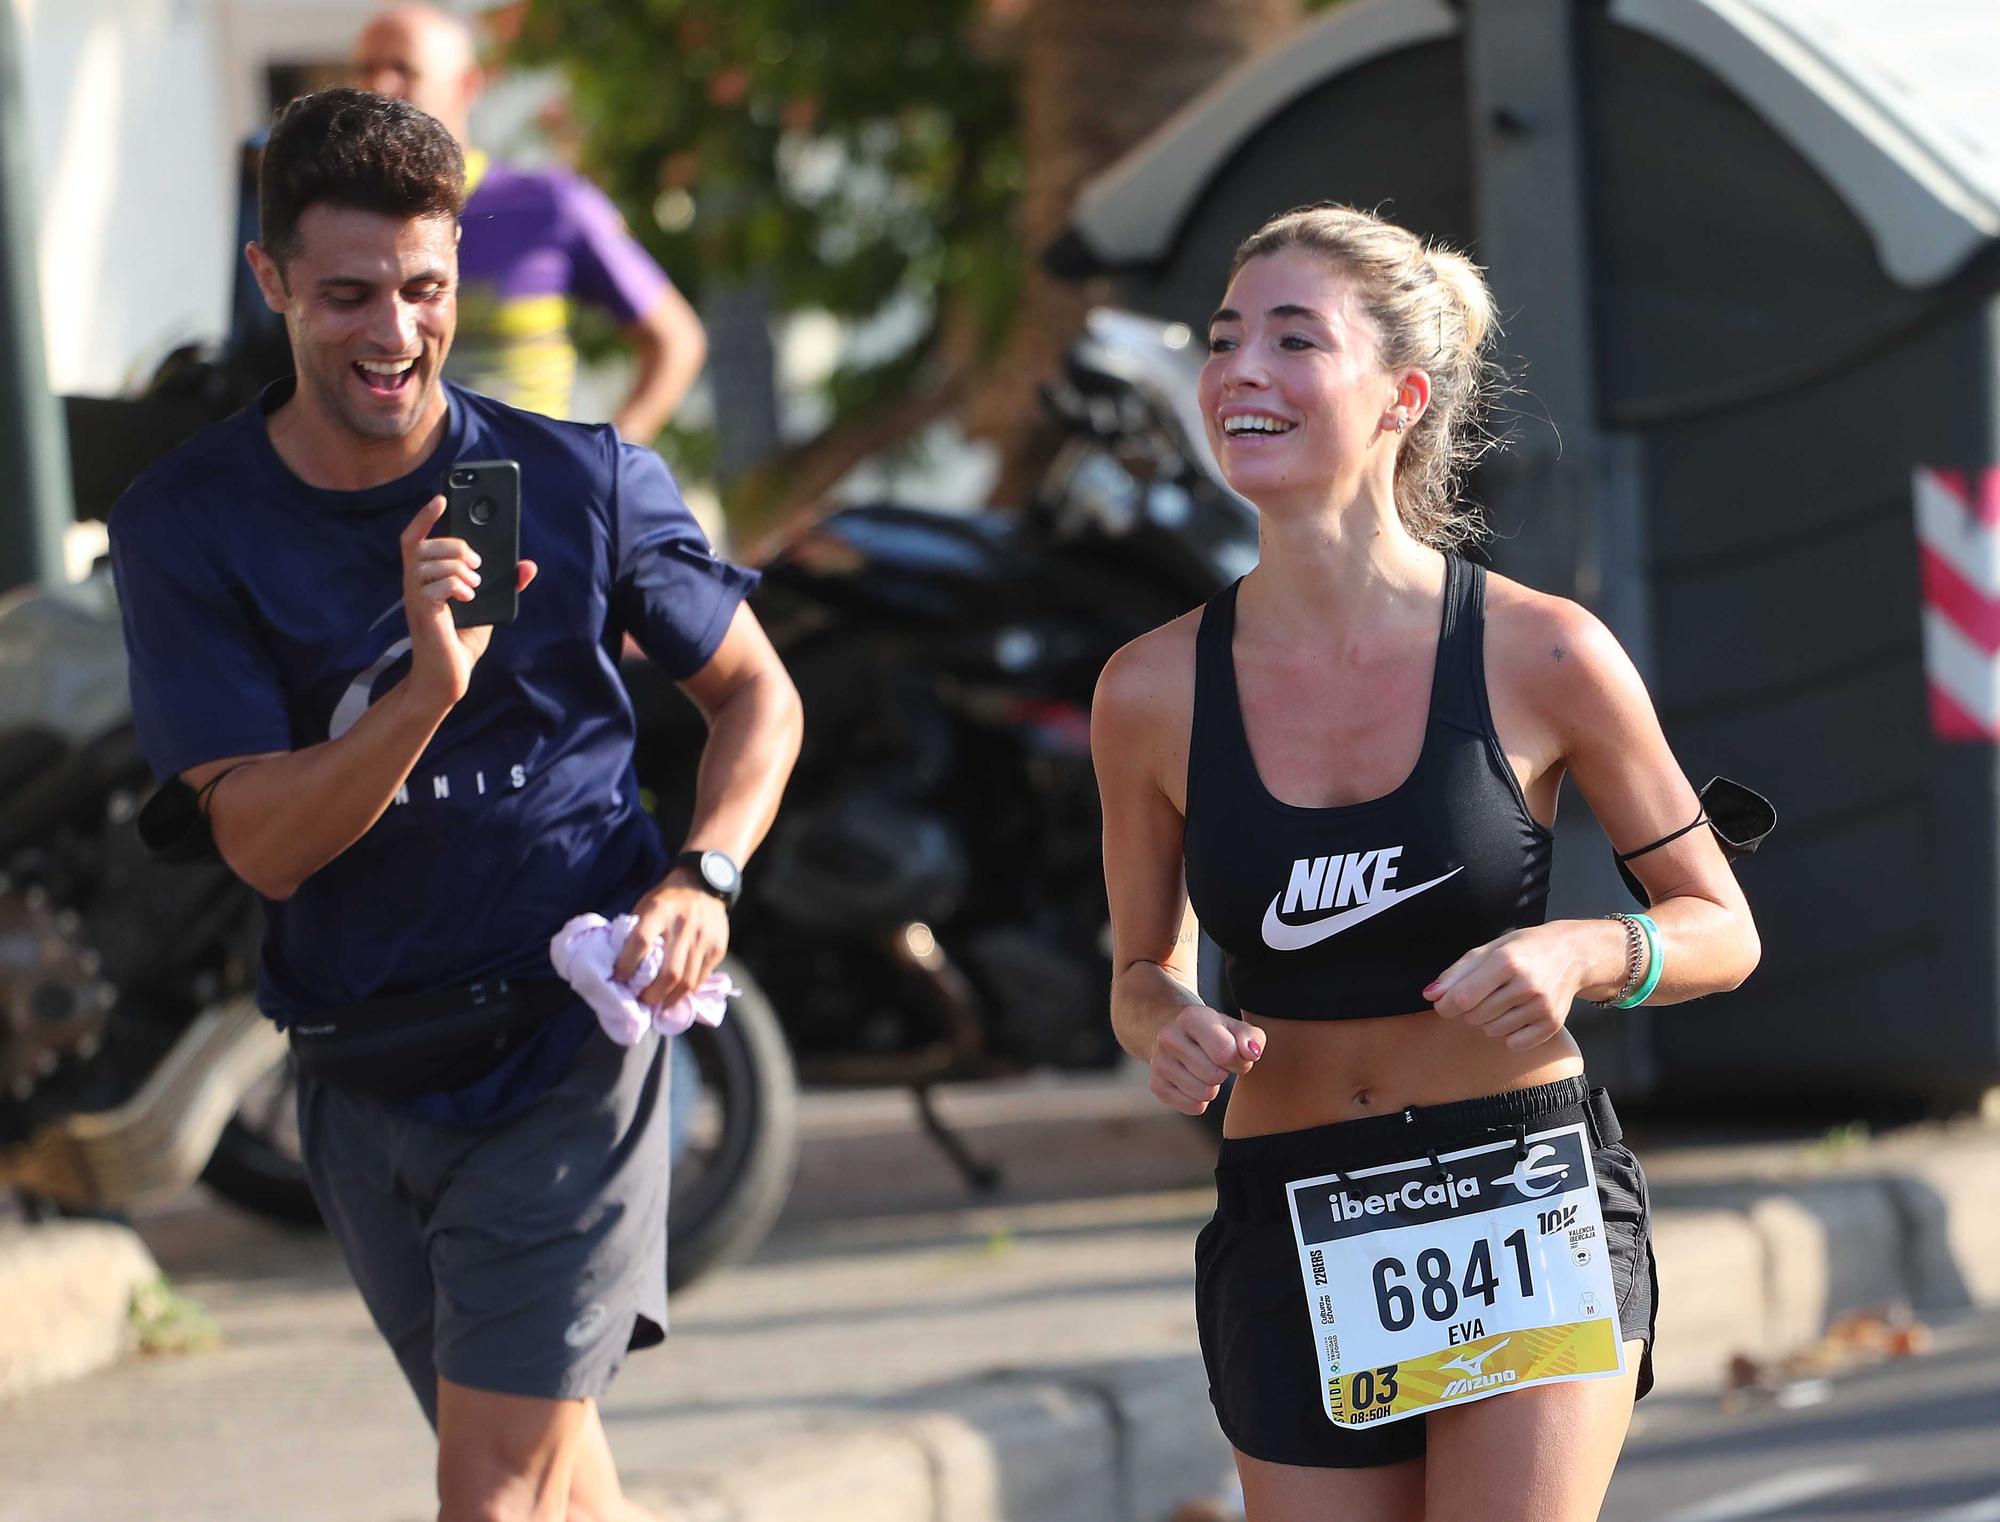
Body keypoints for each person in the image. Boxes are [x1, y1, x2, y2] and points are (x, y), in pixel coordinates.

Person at [109, 89, 800, 1522]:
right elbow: (263, 842)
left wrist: (703, 878)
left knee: (491, 1491)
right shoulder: (193, 521)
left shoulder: (569, 479)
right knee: (555, 1490)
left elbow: (758, 696)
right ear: (273, 285)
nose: (394, 333)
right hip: (360, 1069)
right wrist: (427, 690)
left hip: (564, 1047)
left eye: (425, 290)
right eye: (349, 293)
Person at [1090, 203, 1761, 1522]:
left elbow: (1719, 923)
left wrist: (1583, 948)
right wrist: (1166, 1020)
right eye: (1226, 340)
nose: (1242, 371)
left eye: (1295, 338)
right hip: (1290, 1210)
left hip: (1516, 1188)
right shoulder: (1149, 689)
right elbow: (1137, 966)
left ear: (1400, 395)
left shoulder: (1544, 653)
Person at [353, 4, 707, 442]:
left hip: (526, 496)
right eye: (368, 69)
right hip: (391, 499)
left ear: (467, 85)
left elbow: (676, 340)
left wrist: (608, 464)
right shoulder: (340, 221)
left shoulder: (549, 204)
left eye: (403, 69)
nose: (379, 86)